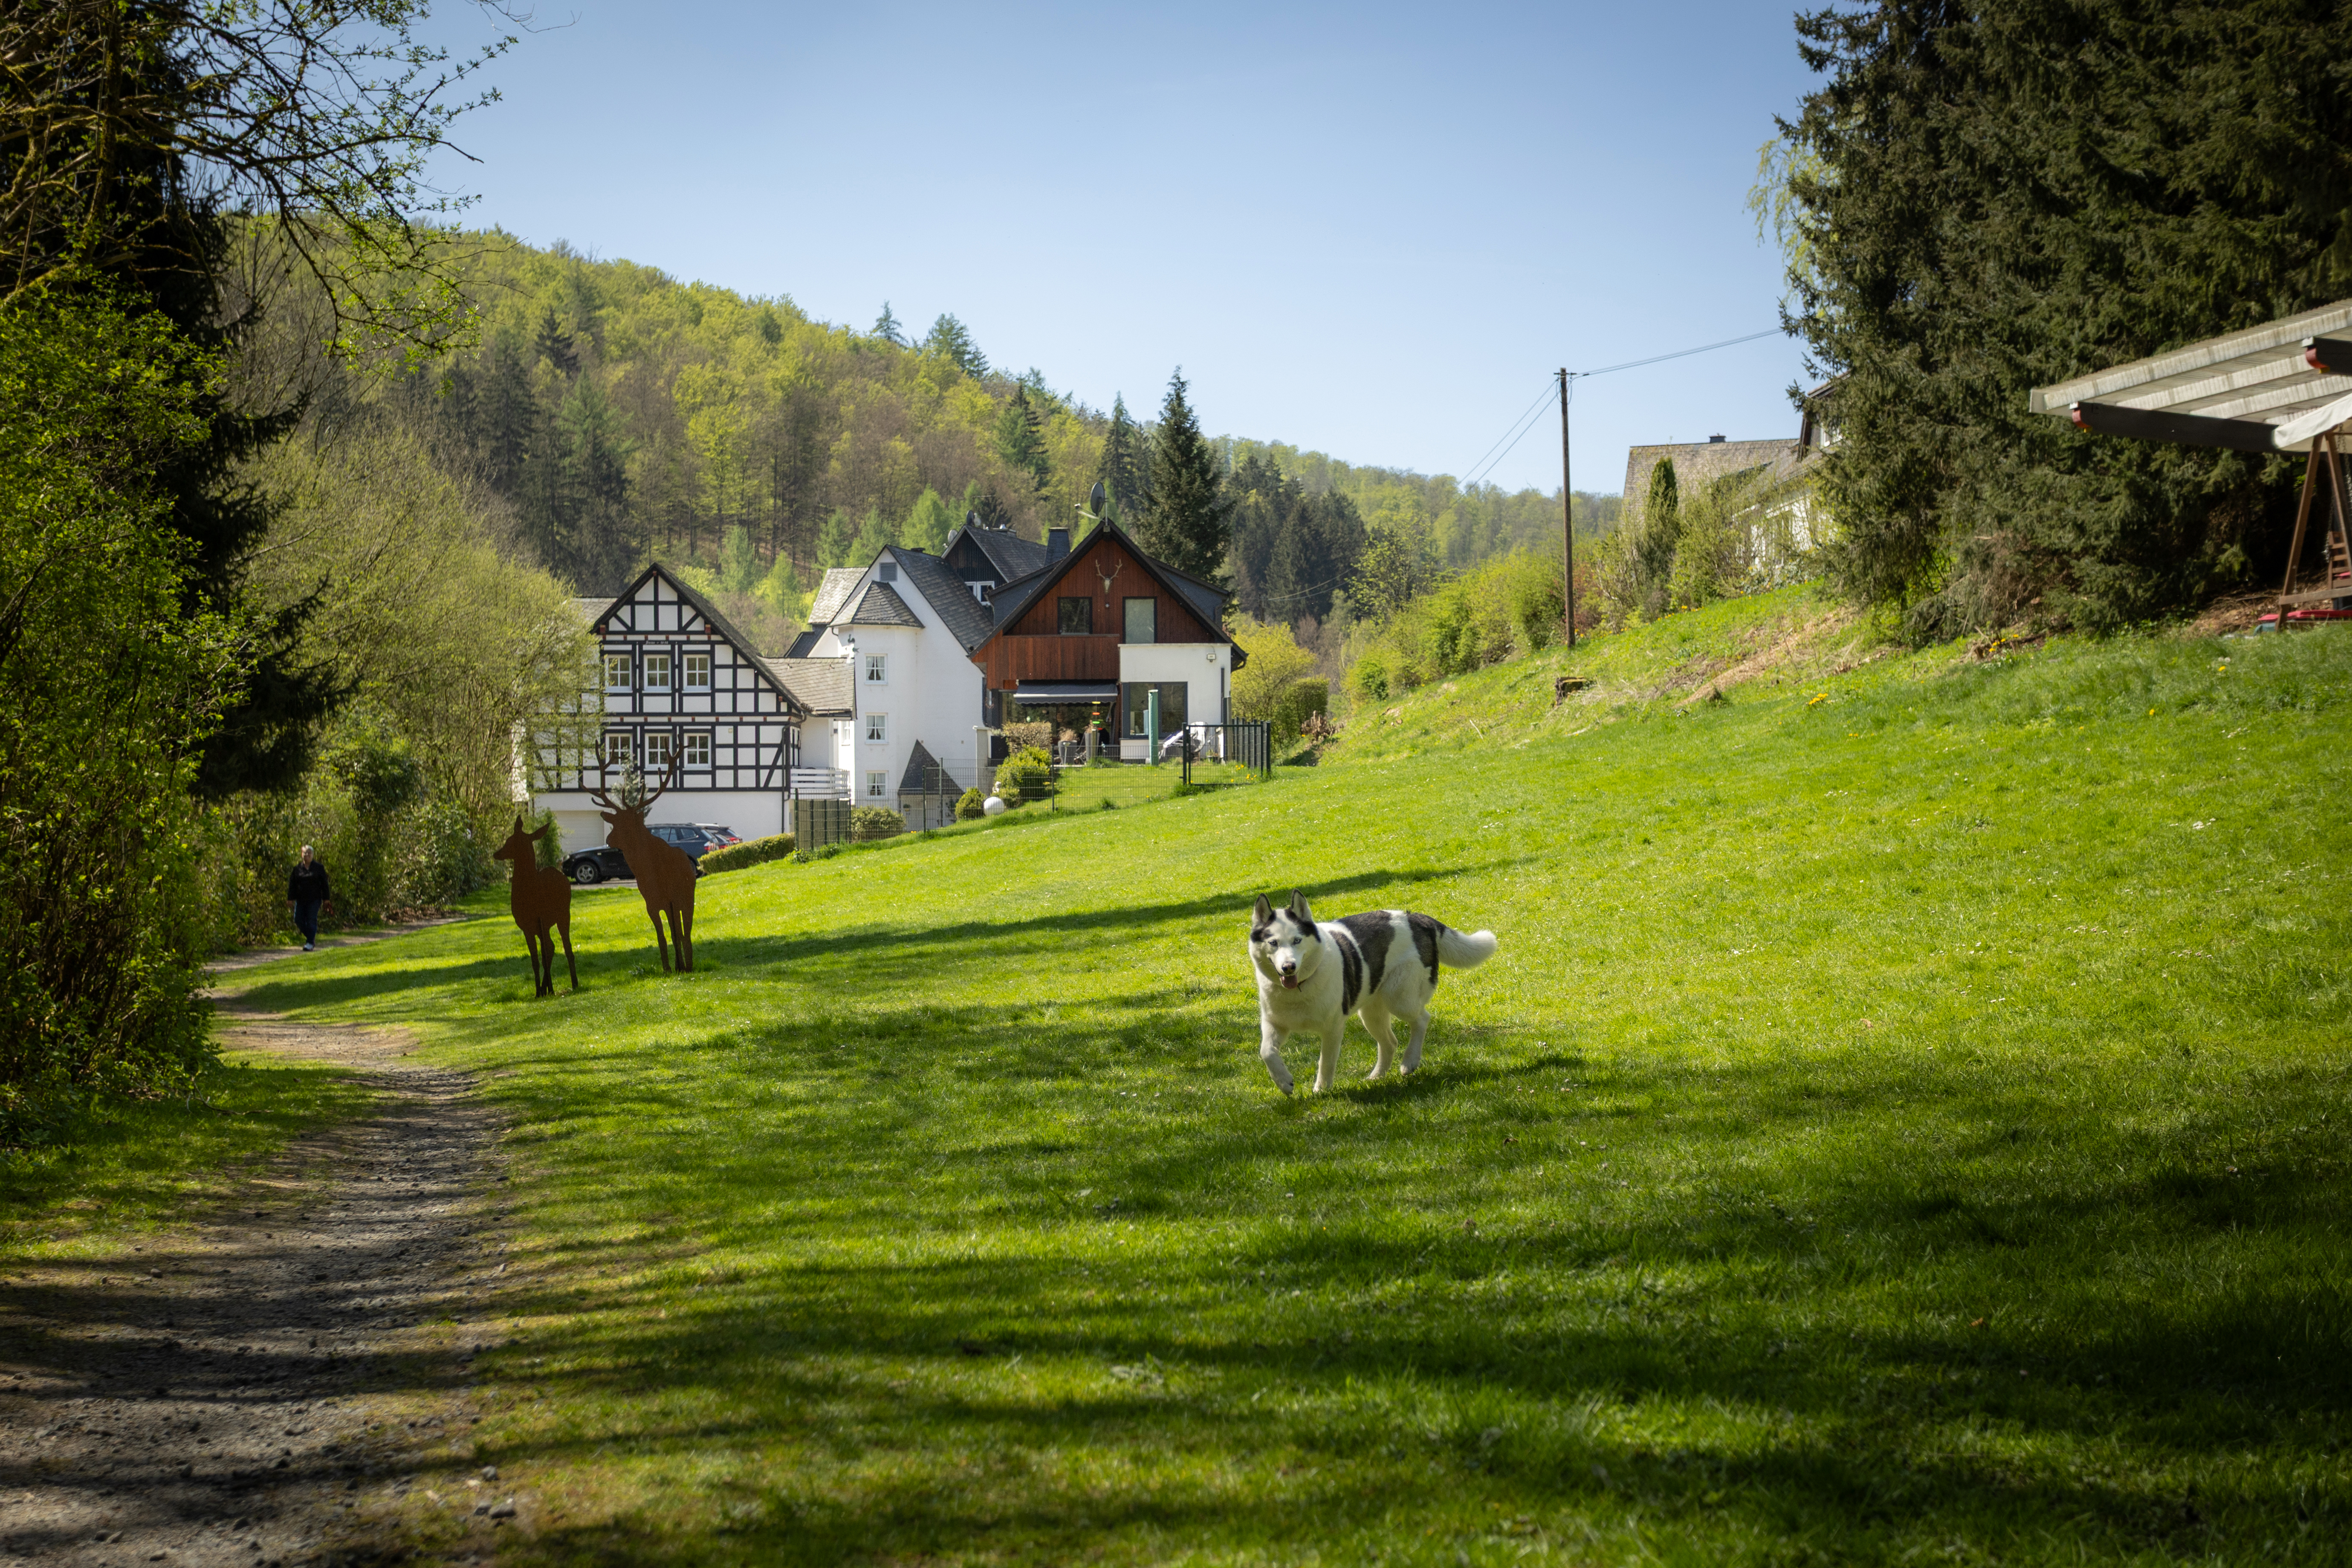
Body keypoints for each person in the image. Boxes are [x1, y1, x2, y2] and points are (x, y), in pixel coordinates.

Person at [287, 845, 332, 952]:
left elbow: (325, 884)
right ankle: (310, 938)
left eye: (309, 853)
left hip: (315, 899)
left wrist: (327, 899)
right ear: (302, 854)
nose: (307, 855)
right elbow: (292, 885)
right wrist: (290, 899)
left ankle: (310, 943)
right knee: (298, 920)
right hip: (301, 900)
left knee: (312, 920)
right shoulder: (297, 869)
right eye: (305, 853)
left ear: (313, 855)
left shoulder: (319, 868)